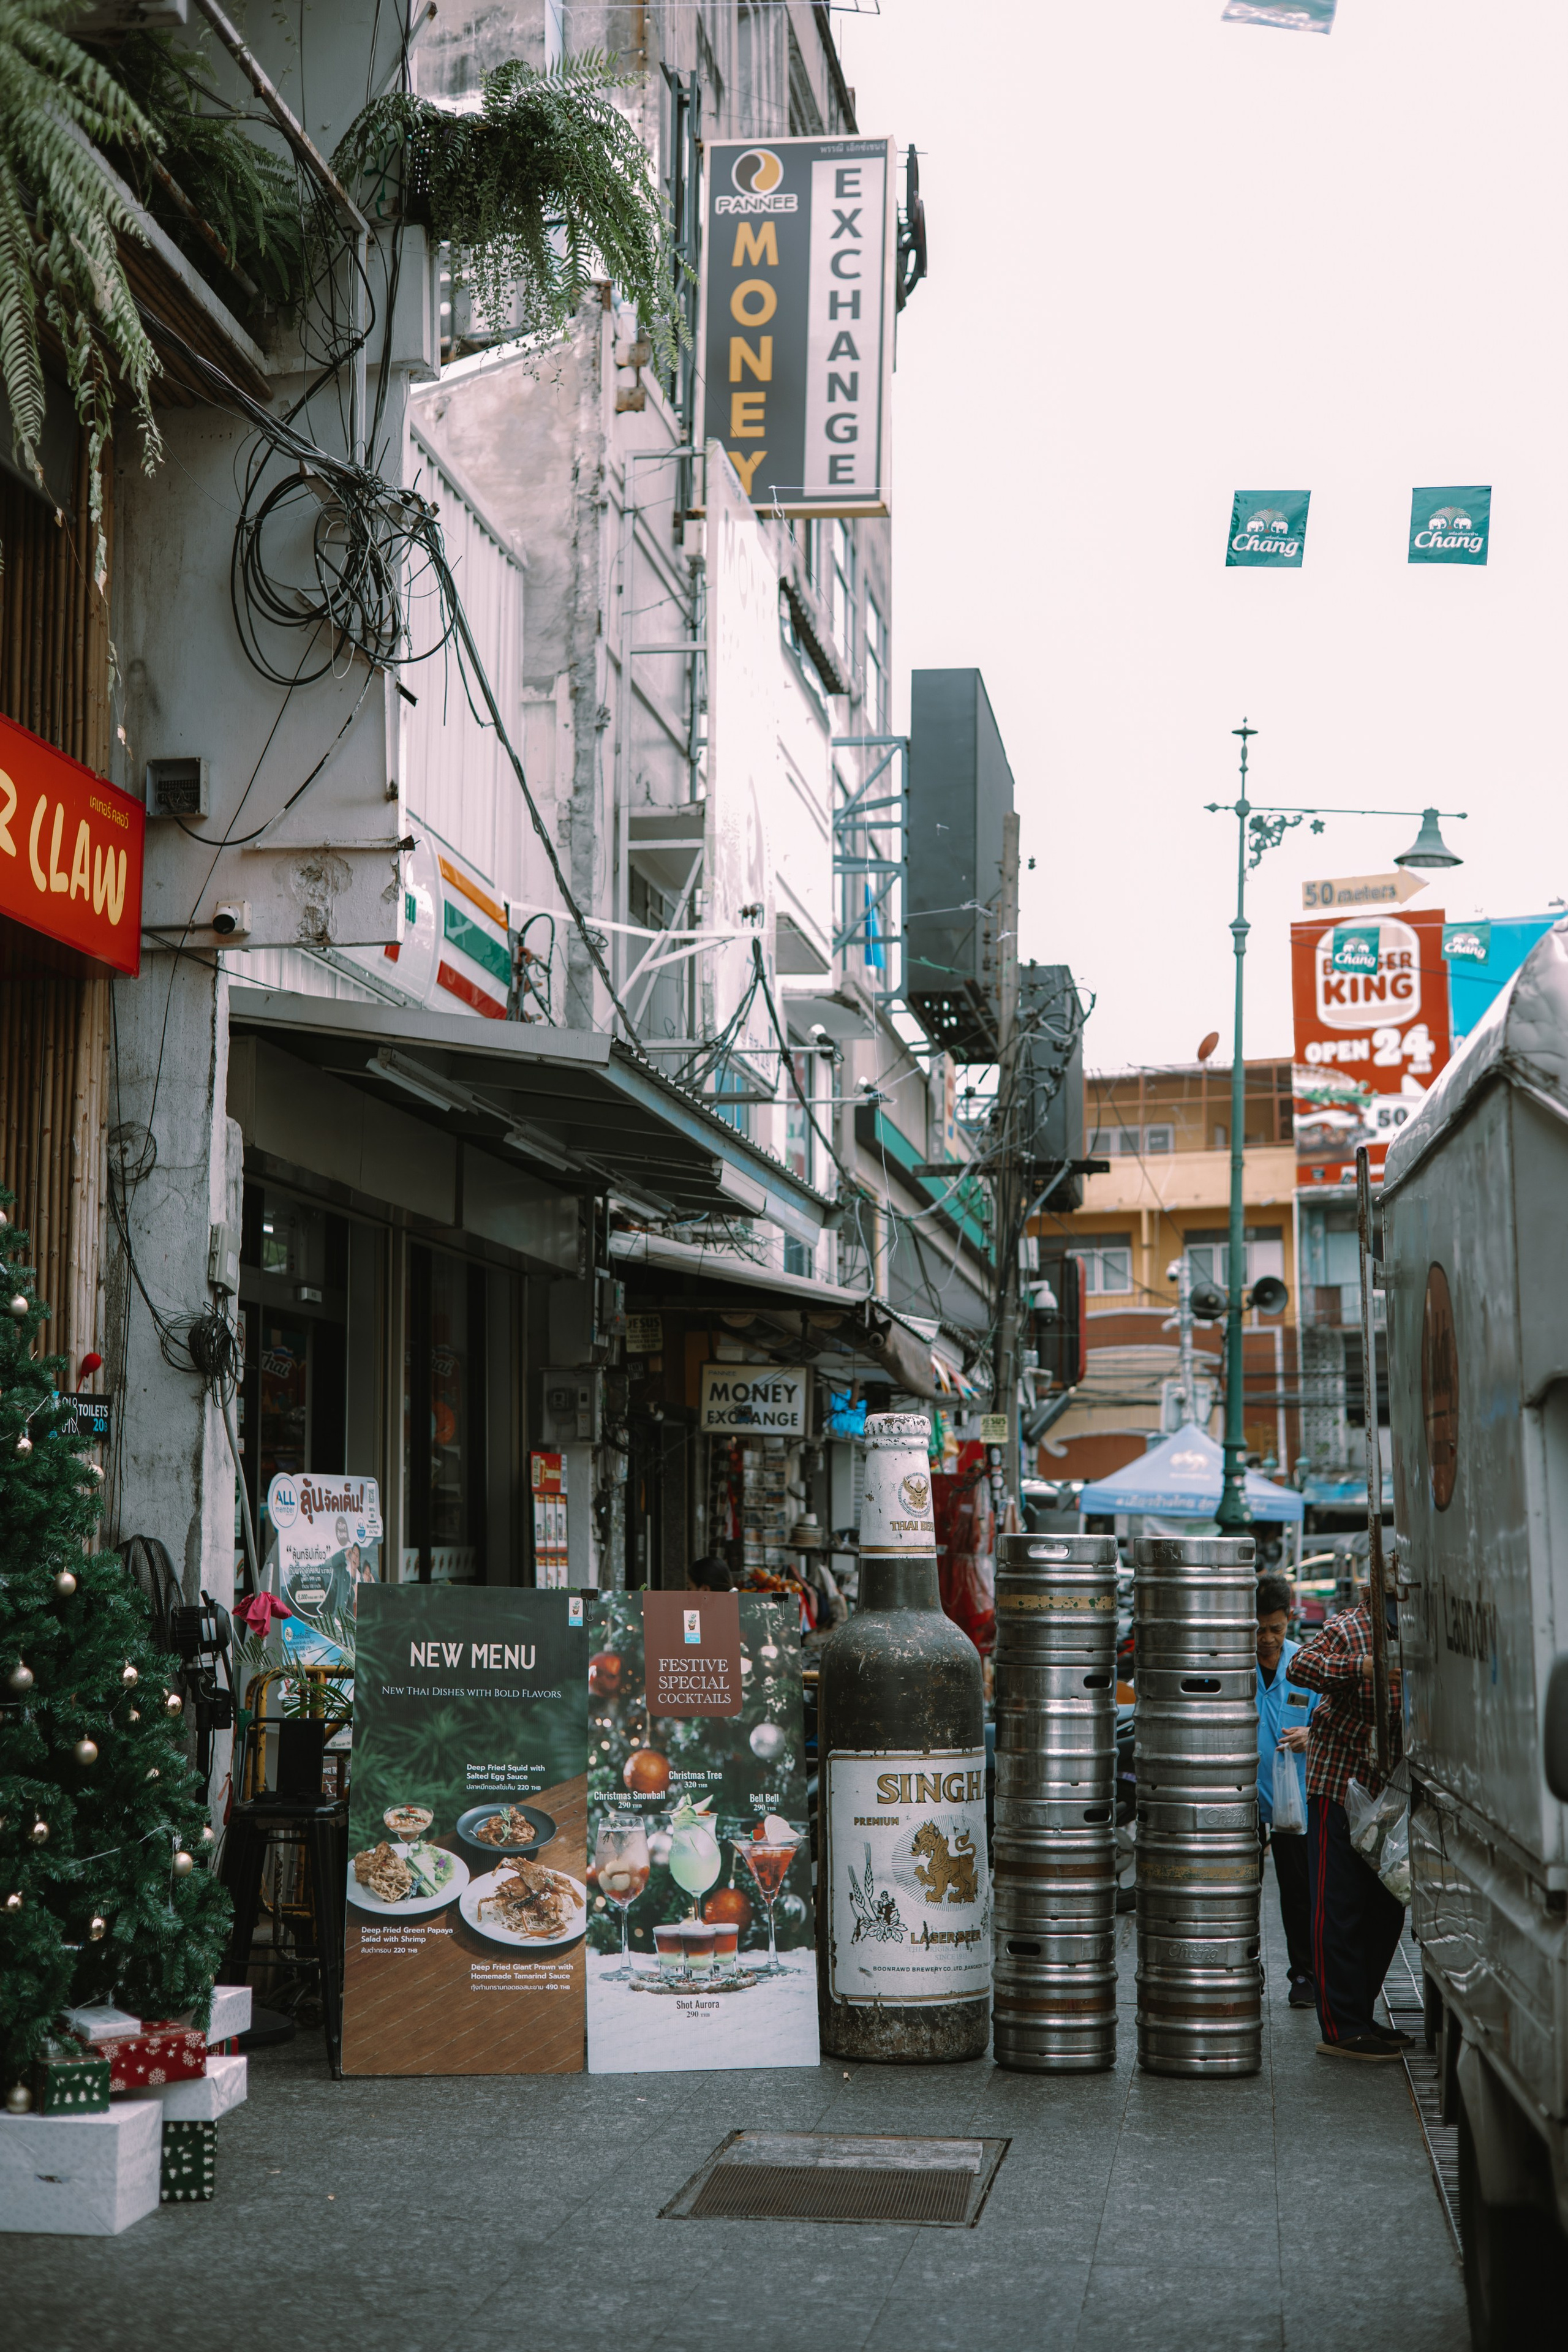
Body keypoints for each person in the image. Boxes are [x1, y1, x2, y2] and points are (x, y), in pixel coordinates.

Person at [1286, 1591, 1411, 2062]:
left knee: (1387, 1906)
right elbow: (1302, 1666)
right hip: (1339, 1788)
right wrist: (1363, 1668)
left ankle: (1359, 2012)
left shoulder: (1416, 1633)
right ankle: (1341, 2027)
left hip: (1387, 1797)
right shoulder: (1349, 1628)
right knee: (1338, 1906)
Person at [1254, 1573, 1317, 2008]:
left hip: (1291, 1798)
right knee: (1239, 1889)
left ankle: (1304, 1975)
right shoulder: (1232, 1664)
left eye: (1275, 1629)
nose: (1266, 1639)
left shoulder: (1305, 1665)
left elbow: (1328, 1718)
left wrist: (1312, 1734)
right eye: (1258, 1629)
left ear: (1289, 1619)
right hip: (1239, 1795)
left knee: (1298, 1890)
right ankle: (1243, 1966)